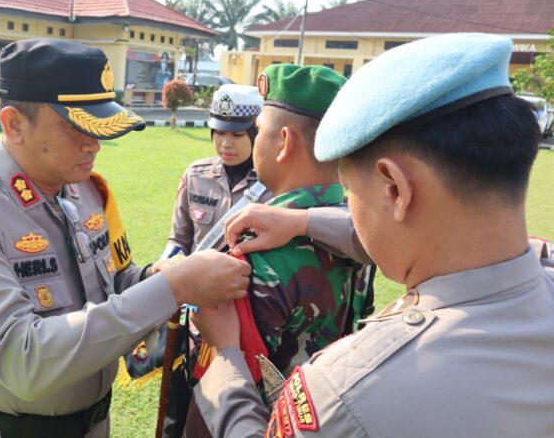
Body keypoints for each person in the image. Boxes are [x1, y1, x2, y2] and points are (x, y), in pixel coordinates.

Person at [192, 32, 554, 437]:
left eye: (349, 191)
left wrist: (225, 358)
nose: (347, 208)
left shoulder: (347, 394)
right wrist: (302, 222)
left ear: (394, 189)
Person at [0, 38, 252, 438]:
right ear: (14, 124)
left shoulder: (85, 191)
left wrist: (152, 276)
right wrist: (172, 287)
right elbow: (24, 359)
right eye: (76, 127)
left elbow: (114, 281)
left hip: (97, 422)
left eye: (98, 127)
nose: (94, 143)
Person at [181, 64, 374, 437]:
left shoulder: (252, 255)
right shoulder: (364, 232)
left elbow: (219, 392)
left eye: (257, 131)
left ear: (284, 142)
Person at [162, 84, 270, 259]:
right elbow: (179, 240)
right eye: (219, 132)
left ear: (256, 134)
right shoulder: (195, 176)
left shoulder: (274, 184)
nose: (226, 143)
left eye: (238, 135)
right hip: (199, 282)